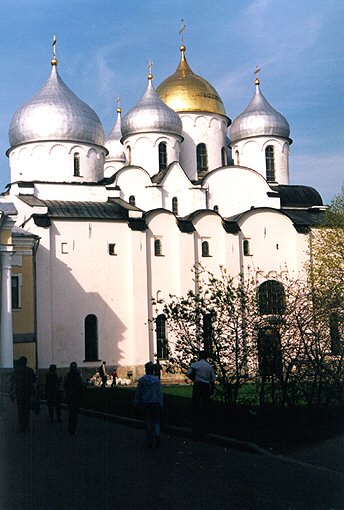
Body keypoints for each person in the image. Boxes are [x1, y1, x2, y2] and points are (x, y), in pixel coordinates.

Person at [187, 351, 216, 437]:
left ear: (199, 356)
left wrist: (193, 378)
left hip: (197, 385)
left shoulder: (196, 364)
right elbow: (213, 379)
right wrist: (212, 389)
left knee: (195, 405)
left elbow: (188, 373)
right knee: (206, 405)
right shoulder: (209, 366)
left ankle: (196, 426)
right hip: (206, 386)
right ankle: (205, 426)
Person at [134, 361, 163, 447]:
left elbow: (138, 392)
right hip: (155, 402)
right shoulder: (157, 380)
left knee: (148, 420)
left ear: (146, 370)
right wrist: (161, 404)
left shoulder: (142, 380)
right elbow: (159, 393)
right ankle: (157, 435)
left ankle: (149, 440)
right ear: (153, 371)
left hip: (146, 403)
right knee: (157, 420)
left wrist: (136, 403)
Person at [10, 356, 37, 432]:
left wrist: (11, 393)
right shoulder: (30, 370)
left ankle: (22, 425)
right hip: (28, 392)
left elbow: (12, 382)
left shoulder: (16, 371)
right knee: (27, 409)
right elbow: (34, 382)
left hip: (19, 392)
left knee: (20, 409)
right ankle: (26, 424)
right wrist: (35, 393)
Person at [64, 361, 83, 435]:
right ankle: (72, 429)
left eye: (75, 367)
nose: (74, 368)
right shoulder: (69, 375)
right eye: (73, 367)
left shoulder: (76, 375)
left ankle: (72, 429)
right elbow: (66, 385)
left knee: (73, 414)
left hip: (75, 396)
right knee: (73, 414)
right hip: (72, 396)